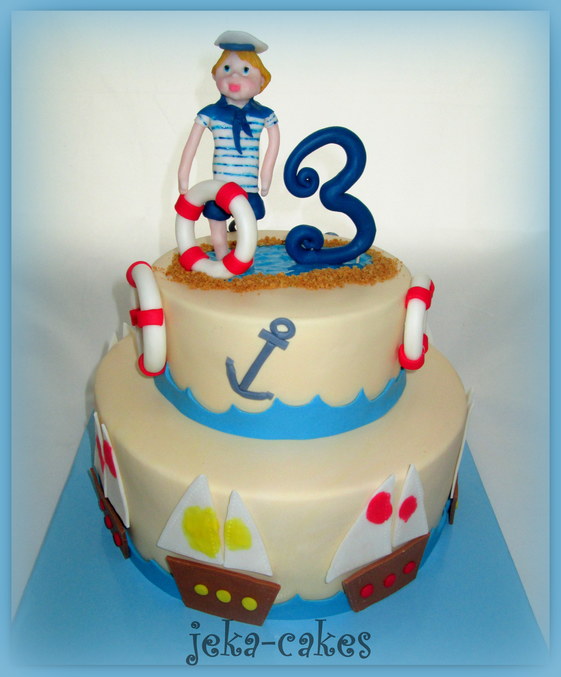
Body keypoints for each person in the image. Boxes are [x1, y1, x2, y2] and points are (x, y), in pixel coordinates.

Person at [178, 31, 280, 260]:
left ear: (262, 80)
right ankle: (222, 255)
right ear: (215, 75)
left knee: (247, 225)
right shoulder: (209, 113)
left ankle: (245, 259)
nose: (234, 77)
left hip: (248, 187)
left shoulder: (264, 114)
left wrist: (266, 175)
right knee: (216, 220)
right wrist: (183, 177)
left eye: (245, 70)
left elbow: (274, 143)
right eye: (226, 69)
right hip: (218, 187)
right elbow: (191, 147)